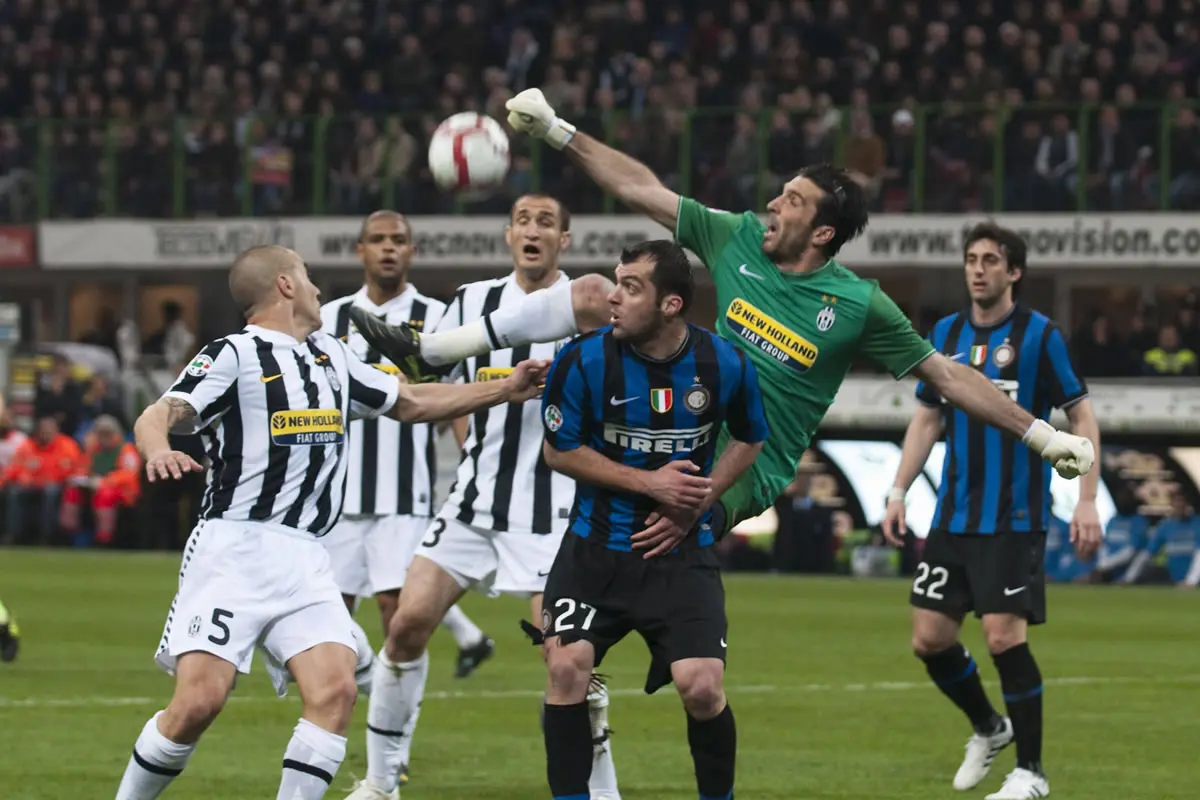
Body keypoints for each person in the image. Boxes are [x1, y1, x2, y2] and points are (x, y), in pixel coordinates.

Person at [351, 87, 1096, 561]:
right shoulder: (738, 238)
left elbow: (949, 375)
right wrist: (555, 129)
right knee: (595, 293)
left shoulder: (860, 305)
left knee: (661, 551)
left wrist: (1041, 433)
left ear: (825, 233)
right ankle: (435, 348)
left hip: (745, 459)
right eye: (777, 196)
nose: (772, 207)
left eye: (792, 203)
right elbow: (640, 187)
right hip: (669, 408)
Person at [113, 244, 548, 800]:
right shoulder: (234, 354)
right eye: (309, 276)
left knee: (336, 690)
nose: (319, 288)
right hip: (235, 548)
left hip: (306, 556)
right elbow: (161, 413)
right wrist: (155, 449)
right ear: (286, 286)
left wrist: (505, 388)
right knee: (198, 702)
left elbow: (411, 399)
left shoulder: (331, 356)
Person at [343, 194, 622, 800]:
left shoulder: (590, 310)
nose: (533, 231)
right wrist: (476, 442)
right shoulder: (469, 304)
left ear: (564, 241)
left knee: (567, 661)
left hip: (553, 510)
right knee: (408, 625)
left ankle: (601, 793)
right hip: (473, 502)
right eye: (523, 221)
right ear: (507, 235)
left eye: (547, 222)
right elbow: (430, 390)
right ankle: (381, 783)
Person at [539, 240, 768, 800]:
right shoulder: (583, 359)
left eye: (631, 287)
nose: (613, 297)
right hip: (593, 550)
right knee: (567, 668)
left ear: (670, 305)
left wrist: (700, 496)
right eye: (617, 282)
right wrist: (651, 483)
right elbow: (558, 451)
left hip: (680, 557)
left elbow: (751, 436)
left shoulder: (724, 363)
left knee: (702, 687)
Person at [881, 223, 1103, 800]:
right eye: (971, 259)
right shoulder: (945, 333)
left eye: (990, 260)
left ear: (1014, 272)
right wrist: (899, 490)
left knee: (1004, 639)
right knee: (928, 639)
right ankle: (989, 726)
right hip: (953, 515)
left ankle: (1031, 772)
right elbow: (928, 417)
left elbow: (1081, 418)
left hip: (1015, 516)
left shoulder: (1041, 336)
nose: (977, 269)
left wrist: (1086, 500)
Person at [319, 210, 494, 788]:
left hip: (405, 497)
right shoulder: (330, 319)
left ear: (412, 252)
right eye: (378, 241)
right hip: (338, 501)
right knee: (326, 626)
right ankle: (340, 724)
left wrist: (473, 460)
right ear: (360, 249)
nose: (389, 250)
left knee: (401, 621)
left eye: (398, 241)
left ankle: (391, 753)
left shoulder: (437, 321)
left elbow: (458, 397)